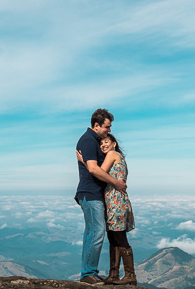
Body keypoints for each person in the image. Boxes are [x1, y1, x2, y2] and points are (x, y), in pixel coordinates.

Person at [75, 109, 127, 284]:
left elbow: (95, 166)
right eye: (107, 127)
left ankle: (88, 272)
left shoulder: (94, 141)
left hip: (93, 194)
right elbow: (93, 169)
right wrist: (116, 183)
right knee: (97, 232)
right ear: (96, 125)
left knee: (92, 232)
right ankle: (88, 274)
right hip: (90, 194)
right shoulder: (88, 140)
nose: (109, 131)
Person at [79, 134, 136, 286]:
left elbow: (98, 172)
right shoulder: (118, 156)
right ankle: (113, 275)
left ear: (114, 144)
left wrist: (83, 162)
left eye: (106, 142)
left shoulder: (112, 154)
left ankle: (130, 274)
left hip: (116, 200)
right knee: (113, 237)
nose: (103, 145)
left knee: (119, 237)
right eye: (101, 143)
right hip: (114, 200)